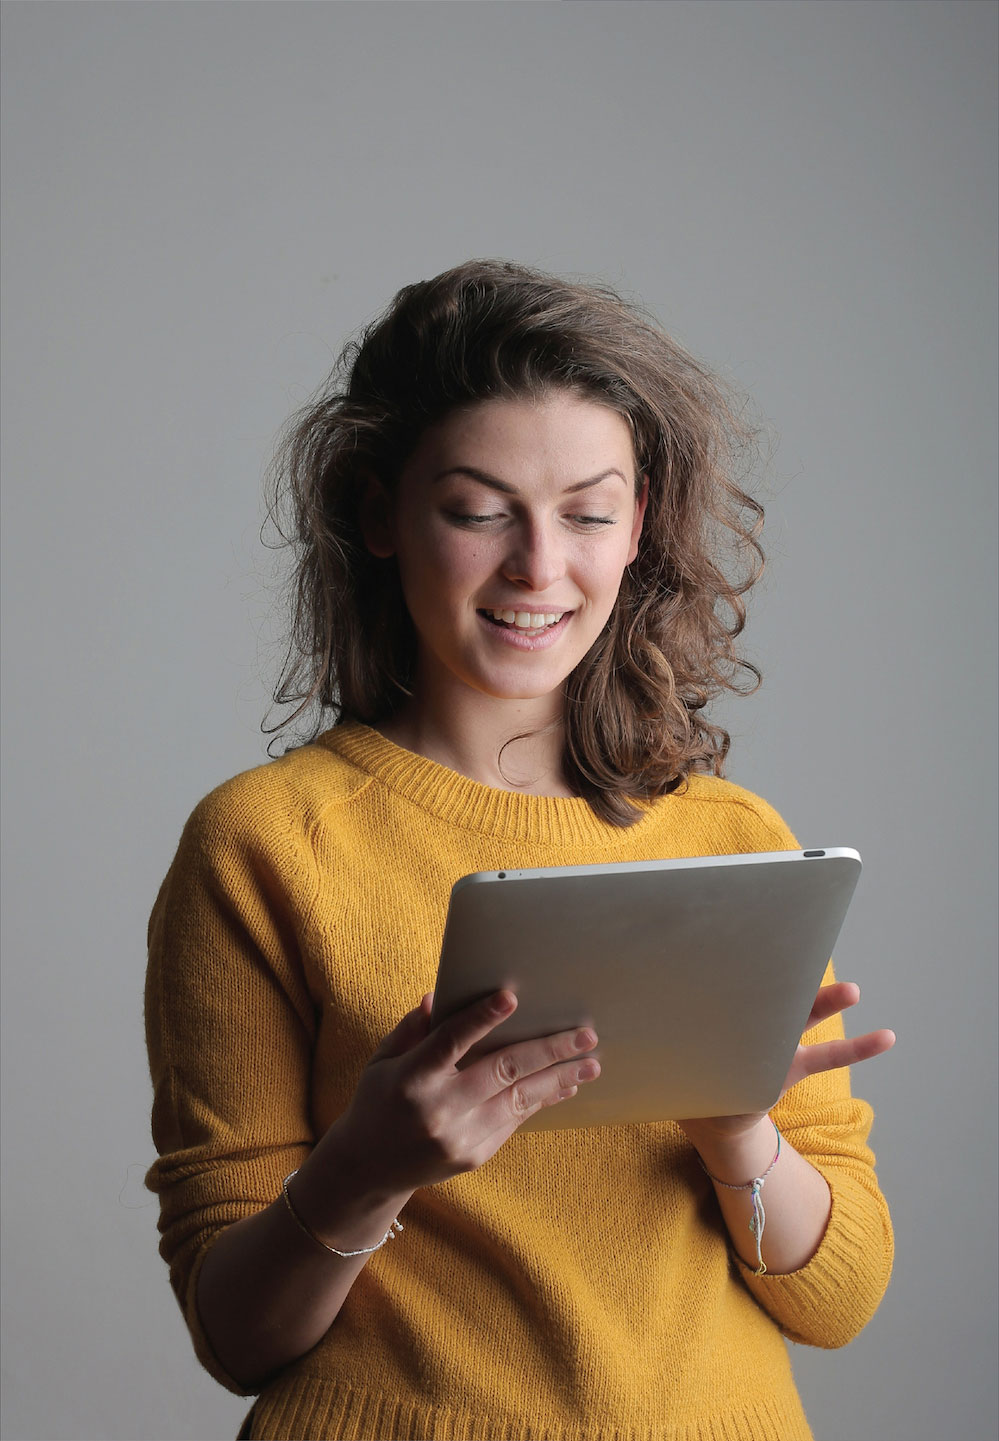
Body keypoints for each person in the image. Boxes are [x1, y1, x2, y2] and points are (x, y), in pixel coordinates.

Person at [144, 258, 896, 1441]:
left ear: (638, 525)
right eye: (478, 510)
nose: (539, 567)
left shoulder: (733, 839)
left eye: (587, 513)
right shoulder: (267, 842)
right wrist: (368, 1166)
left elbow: (837, 1299)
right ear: (379, 512)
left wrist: (737, 1124)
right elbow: (237, 1337)